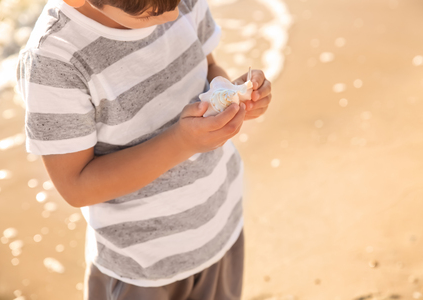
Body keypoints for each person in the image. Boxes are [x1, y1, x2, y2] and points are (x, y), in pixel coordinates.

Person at [16, 0, 272, 298]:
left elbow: (208, 66)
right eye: (151, 13)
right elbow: (76, 185)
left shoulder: (175, 3)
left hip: (219, 226)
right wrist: (183, 142)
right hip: (141, 266)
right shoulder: (55, 61)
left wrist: (230, 95)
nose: (175, 15)